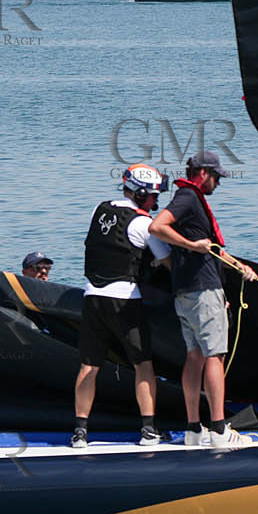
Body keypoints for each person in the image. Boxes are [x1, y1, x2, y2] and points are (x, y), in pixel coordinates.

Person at [149, 151, 257, 449]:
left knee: (195, 356)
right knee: (215, 356)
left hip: (185, 291)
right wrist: (191, 245)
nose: (219, 183)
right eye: (217, 177)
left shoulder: (192, 200)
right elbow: (157, 227)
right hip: (202, 291)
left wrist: (240, 268)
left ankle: (194, 430)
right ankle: (220, 430)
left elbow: (213, 249)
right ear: (203, 173)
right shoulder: (188, 197)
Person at [73, 164, 170, 448]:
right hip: (125, 300)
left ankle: (79, 432)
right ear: (140, 194)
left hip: (91, 297)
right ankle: (149, 430)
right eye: (152, 196)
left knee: (89, 366)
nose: (155, 202)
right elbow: (167, 261)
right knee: (143, 365)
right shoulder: (143, 224)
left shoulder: (98, 209)